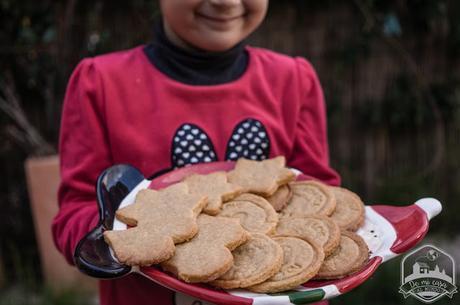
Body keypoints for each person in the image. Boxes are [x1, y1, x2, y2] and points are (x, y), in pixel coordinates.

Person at [52, 1, 340, 304]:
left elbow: (325, 205)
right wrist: (127, 237)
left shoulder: (293, 81)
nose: (226, 2)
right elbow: (73, 217)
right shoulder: (99, 84)